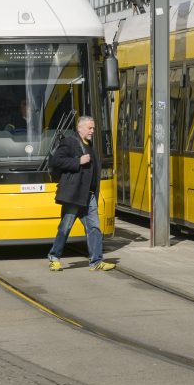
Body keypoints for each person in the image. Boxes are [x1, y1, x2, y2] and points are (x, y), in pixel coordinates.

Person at [47, 116, 114, 271]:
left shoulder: (89, 145)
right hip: (74, 195)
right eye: (90, 128)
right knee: (66, 227)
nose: (92, 131)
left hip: (88, 196)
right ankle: (54, 257)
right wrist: (78, 161)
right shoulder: (70, 142)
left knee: (94, 228)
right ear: (80, 128)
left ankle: (96, 261)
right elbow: (56, 161)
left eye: (93, 128)